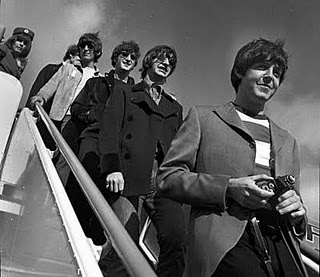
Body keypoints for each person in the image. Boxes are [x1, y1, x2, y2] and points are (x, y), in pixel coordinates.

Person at [157, 38, 308, 277]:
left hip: (282, 245)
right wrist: (227, 188)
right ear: (240, 71)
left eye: (277, 73)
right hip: (225, 246)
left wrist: (298, 213)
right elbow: (168, 177)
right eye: (262, 67)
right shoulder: (204, 118)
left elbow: (296, 204)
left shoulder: (288, 141)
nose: (270, 76)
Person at [98, 45, 187, 277]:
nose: (166, 63)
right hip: (128, 174)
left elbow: (179, 147)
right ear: (148, 61)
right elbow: (109, 131)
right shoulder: (124, 92)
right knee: (126, 241)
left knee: (177, 239)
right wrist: (112, 169)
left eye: (171, 61)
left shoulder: (174, 107)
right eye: (161, 58)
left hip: (162, 181)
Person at [65, 40, 140, 243]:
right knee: (86, 175)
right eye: (124, 55)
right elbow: (77, 107)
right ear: (115, 58)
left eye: (132, 58)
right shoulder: (95, 83)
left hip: (117, 144)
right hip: (93, 135)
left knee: (109, 188)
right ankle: (75, 232)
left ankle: (96, 238)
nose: (128, 59)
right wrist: (93, 114)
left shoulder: (136, 93)